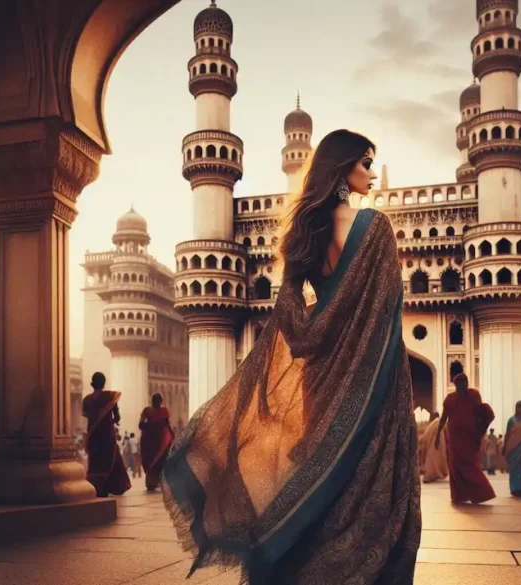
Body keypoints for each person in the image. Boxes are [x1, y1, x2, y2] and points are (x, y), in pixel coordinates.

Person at [161, 130, 421, 584]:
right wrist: (353, 337)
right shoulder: (376, 228)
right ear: (342, 169)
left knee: (324, 468)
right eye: (364, 163)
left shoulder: (304, 235)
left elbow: (290, 315)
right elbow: (384, 310)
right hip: (372, 377)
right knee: (364, 477)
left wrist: (322, 324)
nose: (371, 173)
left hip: (320, 374)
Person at [435, 373, 496, 504]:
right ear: (456, 384)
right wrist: (437, 435)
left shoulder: (474, 395)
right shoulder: (450, 399)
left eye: (466, 382)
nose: (464, 385)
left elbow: (481, 413)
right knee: (455, 466)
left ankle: (481, 493)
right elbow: (443, 418)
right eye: (461, 382)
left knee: (470, 467)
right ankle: (459, 495)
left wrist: (481, 429)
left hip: (470, 438)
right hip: (455, 438)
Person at [82, 372, 131, 497]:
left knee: (95, 462)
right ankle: (107, 486)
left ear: (92, 383)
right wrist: (109, 421)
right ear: (103, 384)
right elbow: (117, 417)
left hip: (93, 435)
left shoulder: (87, 400)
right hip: (106, 435)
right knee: (109, 459)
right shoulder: (110, 397)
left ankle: (96, 487)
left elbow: (87, 417)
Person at [139, 393, 175, 491]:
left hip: (160, 441)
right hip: (150, 441)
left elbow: (167, 424)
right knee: (150, 461)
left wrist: (172, 435)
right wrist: (152, 425)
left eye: (158, 401)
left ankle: (158, 482)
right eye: (156, 401)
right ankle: (151, 483)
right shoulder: (147, 411)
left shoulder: (164, 411)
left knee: (160, 461)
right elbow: (141, 424)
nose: (157, 403)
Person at [420, 412, 448, 483]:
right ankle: (431, 474)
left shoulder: (434, 423)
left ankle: (432, 474)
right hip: (438, 440)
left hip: (436, 440)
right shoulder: (437, 423)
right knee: (435, 457)